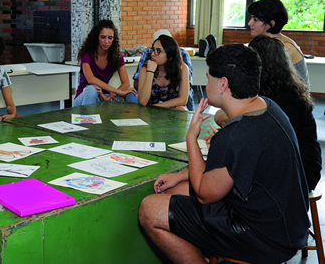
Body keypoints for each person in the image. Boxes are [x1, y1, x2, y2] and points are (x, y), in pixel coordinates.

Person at [139, 44, 309, 263]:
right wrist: (182, 176)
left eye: (209, 78)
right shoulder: (268, 107)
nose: (206, 83)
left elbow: (204, 194)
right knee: (176, 190)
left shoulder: (235, 134)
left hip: (265, 238)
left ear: (223, 84)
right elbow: (225, 173)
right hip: (289, 227)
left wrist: (191, 137)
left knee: (149, 209)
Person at [248, 36, 321, 191]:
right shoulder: (273, 91)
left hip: (301, 173)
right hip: (293, 167)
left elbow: (274, 144)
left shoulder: (290, 99)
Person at [247, 0, 310, 88]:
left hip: (293, 99)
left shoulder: (284, 47)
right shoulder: (263, 42)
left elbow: (270, 85)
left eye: (255, 19)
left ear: (271, 24)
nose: (249, 23)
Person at [73, 19, 137, 106]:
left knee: (132, 94)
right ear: (97, 37)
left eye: (110, 38)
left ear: (114, 39)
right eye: (103, 37)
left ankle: (132, 119)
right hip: (85, 98)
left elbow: (126, 83)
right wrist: (118, 91)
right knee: (93, 88)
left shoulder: (116, 55)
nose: (106, 41)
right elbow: (91, 79)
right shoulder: (87, 54)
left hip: (105, 96)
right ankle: (87, 119)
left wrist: (110, 97)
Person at [133, 29, 194, 111]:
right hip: (151, 112)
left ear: (170, 56)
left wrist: (158, 106)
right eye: (153, 50)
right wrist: (150, 72)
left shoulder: (182, 68)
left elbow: (183, 100)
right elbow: (143, 101)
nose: (152, 54)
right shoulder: (145, 69)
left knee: (181, 109)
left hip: (168, 109)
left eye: (158, 51)